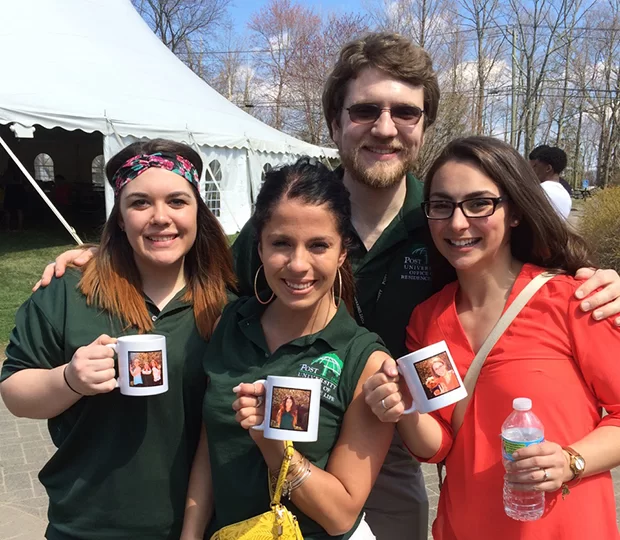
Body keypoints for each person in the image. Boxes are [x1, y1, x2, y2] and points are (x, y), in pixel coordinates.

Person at [31, 33, 620, 539]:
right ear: (336, 121)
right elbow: (204, 279)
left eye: (405, 112)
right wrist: (111, 252)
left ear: (423, 125)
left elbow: (521, 270)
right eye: (365, 110)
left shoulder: (442, 223)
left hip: (385, 458)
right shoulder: (293, 212)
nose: (384, 129)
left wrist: (601, 281)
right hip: (261, 447)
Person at [364, 136, 620, 540]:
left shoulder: (572, 300)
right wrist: (405, 409)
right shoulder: (428, 319)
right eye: (442, 205)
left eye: (479, 203)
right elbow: (439, 446)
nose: (458, 222)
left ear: (514, 211)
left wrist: (573, 460)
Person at [0, 139, 236, 540]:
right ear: (121, 218)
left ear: (199, 212)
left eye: (178, 201)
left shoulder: (231, 308)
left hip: (200, 527)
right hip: (87, 526)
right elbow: (14, 393)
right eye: (140, 203)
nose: (160, 217)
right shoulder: (68, 293)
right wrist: (69, 380)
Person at [180, 159, 394, 540]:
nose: (298, 265)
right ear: (259, 246)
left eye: (318, 246)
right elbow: (208, 449)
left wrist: (274, 445)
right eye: (281, 243)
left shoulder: (366, 361)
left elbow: (341, 515)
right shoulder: (229, 323)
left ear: (342, 252)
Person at [528, 145, 572, 219]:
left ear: (548, 168)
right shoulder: (566, 195)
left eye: (536, 166)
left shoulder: (539, 191)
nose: (533, 170)